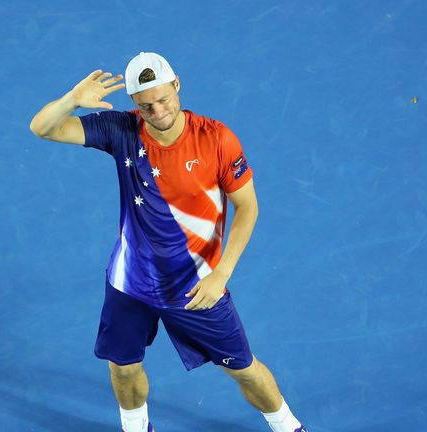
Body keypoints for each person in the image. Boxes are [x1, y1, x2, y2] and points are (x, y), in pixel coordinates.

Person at [29, 52, 307, 432]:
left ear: (177, 84)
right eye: (145, 105)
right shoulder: (121, 130)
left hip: (196, 286)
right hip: (131, 282)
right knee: (123, 368)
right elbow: (42, 128)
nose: (158, 111)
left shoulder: (217, 139)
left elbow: (248, 209)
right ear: (133, 103)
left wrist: (221, 274)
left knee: (243, 369)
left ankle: (288, 426)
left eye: (164, 99)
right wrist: (72, 99)